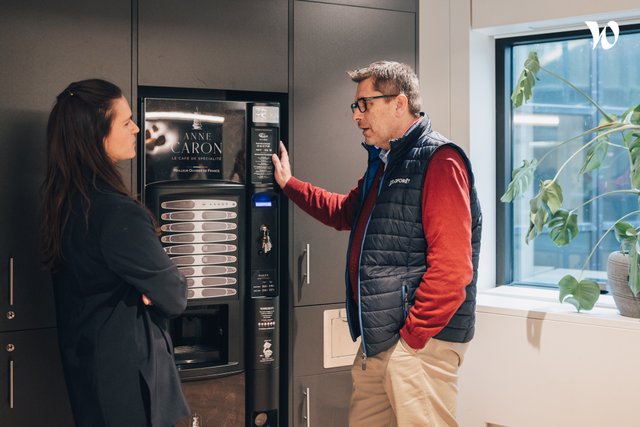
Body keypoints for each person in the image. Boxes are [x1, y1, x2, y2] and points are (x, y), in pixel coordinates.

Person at [272, 61, 482, 426]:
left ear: (399, 104)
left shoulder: (440, 161)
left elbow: (453, 269)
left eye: (364, 104)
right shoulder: (386, 164)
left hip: (420, 344)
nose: (357, 116)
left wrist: (412, 339)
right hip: (380, 339)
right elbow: (343, 212)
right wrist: (290, 184)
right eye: (356, 106)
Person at [41, 79, 190, 427]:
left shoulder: (66, 202)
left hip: (90, 378)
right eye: (125, 122)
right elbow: (174, 295)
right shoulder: (118, 213)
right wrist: (152, 288)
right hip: (132, 387)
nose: (138, 128)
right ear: (96, 135)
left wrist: (145, 287)